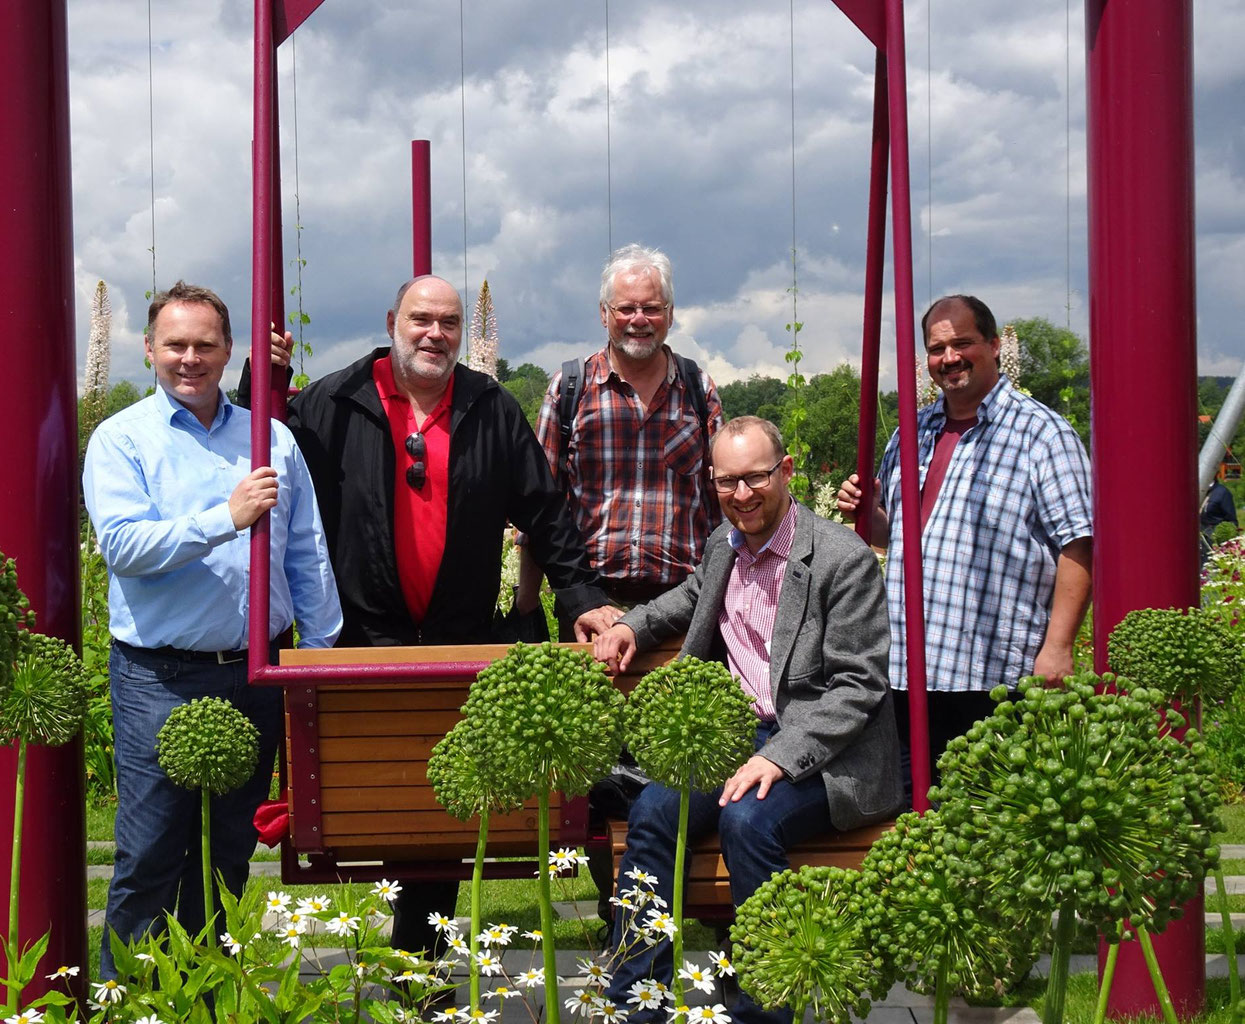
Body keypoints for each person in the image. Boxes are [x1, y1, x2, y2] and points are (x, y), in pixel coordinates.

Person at [243, 274, 609, 961]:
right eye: (421, 319)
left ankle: (421, 971)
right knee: (363, 804)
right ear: (392, 321)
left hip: (453, 645)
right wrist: (259, 382)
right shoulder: (334, 401)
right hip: (359, 644)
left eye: (447, 322)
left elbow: (545, 514)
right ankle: (375, 963)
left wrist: (584, 601)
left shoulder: (489, 407)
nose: (434, 333)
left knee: (438, 817)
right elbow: (260, 453)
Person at [588, 416, 901, 1024]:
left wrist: (778, 757)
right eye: (727, 481)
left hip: (826, 750)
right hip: (736, 735)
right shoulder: (722, 546)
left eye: (756, 477)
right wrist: (630, 625)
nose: (742, 494)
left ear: (785, 472)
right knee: (652, 810)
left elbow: (858, 685)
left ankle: (766, 1009)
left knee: (747, 820)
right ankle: (636, 1003)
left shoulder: (841, 558)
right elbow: (687, 598)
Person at [83, 281, 343, 977]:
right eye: (175, 345)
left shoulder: (271, 439)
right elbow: (124, 549)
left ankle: (203, 995)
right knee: (151, 851)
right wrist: (222, 519)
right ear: (148, 350)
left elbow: (306, 552)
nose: (190, 359)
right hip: (160, 677)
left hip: (256, 672)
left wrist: (314, 660)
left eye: (204, 345)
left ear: (229, 351)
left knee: (228, 853)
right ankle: (129, 1001)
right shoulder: (122, 440)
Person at [836, 294, 1092, 780]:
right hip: (909, 672)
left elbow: (1077, 544)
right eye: (937, 349)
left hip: (993, 675)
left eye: (963, 343)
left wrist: (1058, 647)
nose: (949, 358)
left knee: (991, 823)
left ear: (995, 346)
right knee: (919, 822)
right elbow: (906, 537)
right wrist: (869, 515)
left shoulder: (1041, 434)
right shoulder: (913, 432)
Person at [518, 243, 723, 638]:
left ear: (670, 314)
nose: (639, 320)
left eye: (652, 308)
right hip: (590, 601)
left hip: (680, 601)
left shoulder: (698, 390)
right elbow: (541, 507)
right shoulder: (569, 390)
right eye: (626, 309)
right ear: (603, 314)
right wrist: (527, 604)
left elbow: (720, 503)